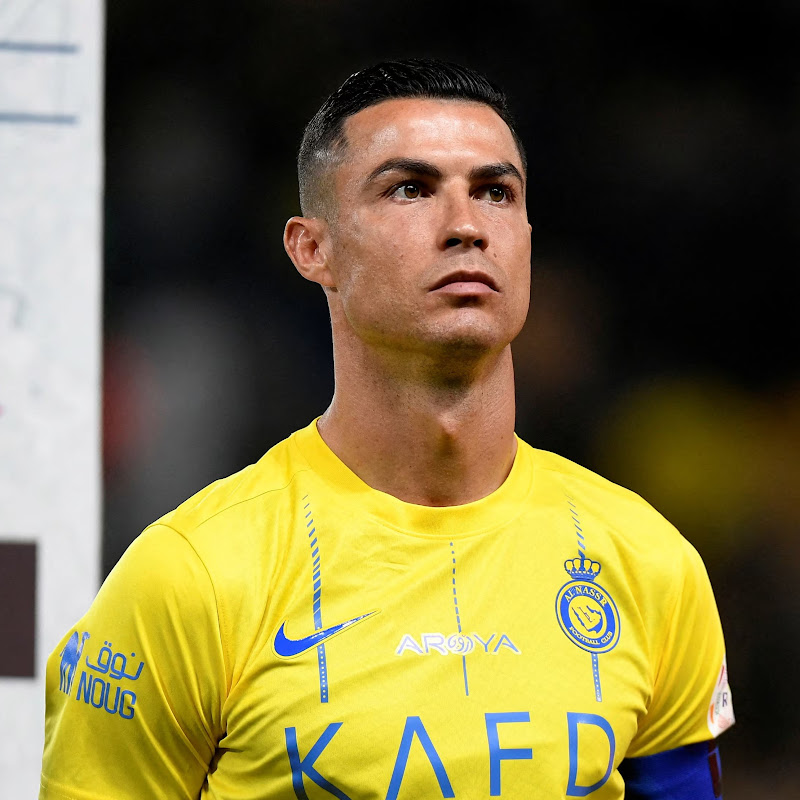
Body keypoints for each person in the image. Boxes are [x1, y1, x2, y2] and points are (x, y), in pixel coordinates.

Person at [40, 58, 734, 799]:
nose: (466, 226)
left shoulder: (651, 564)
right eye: (410, 188)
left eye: (495, 192)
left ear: (528, 240)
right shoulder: (190, 576)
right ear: (313, 249)